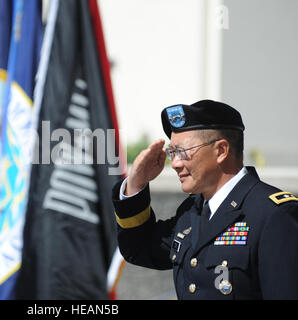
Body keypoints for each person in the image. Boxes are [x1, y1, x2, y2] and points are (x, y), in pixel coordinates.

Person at [112, 99, 298, 299]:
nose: (174, 163)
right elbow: (138, 248)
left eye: (182, 152)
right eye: (172, 152)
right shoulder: (193, 210)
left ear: (221, 151)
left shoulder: (273, 214)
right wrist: (136, 184)